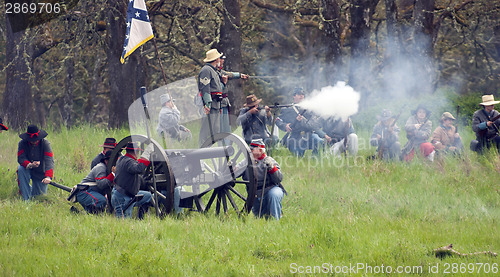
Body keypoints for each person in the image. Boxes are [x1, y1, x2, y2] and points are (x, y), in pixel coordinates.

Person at [275, 87, 327, 156]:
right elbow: (278, 120)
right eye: (299, 94)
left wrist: (302, 120)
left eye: (302, 94)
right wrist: (285, 126)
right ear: (294, 96)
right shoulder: (288, 109)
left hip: (308, 135)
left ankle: (314, 159)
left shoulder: (309, 109)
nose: (301, 96)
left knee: (319, 141)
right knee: (298, 158)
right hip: (295, 137)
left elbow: (312, 125)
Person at [111, 142, 153, 219]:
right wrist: (146, 154)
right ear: (136, 152)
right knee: (123, 223)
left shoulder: (122, 159)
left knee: (148, 196)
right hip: (123, 197)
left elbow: (136, 167)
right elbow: (139, 168)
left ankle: (140, 218)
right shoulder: (129, 162)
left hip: (123, 194)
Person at [247, 139, 285, 220]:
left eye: (252, 149)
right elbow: (235, 171)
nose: (250, 151)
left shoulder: (270, 160)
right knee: (260, 217)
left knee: (274, 195)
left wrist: (271, 167)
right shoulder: (246, 162)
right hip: (256, 193)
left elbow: (279, 178)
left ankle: (275, 221)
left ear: (260, 150)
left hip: (271, 188)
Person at [17, 124, 54, 201]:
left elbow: (49, 160)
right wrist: (30, 165)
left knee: (38, 198)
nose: (34, 141)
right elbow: (21, 158)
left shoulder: (45, 143)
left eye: (36, 139)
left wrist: (48, 177)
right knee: (20, 169)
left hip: (40, 172)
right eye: (32, 140)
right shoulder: (22, 143)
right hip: (27, 169)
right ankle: (25, 200)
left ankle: (31, 192)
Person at [198, 49, 225, 146]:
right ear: (216, 59)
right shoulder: (206, 70)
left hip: (216, 105)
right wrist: (207, 104)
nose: (220, 59)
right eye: (218, 58)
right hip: (210, 106)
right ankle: (202, 152)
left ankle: (211, 152)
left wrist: (220, 106)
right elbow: (205, 89)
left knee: (215, 132)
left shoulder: (214, 71)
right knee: (206, 132)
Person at [217, 54, 249, 134]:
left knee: (226, 127)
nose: (223, 61)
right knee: (220, 127)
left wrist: (240, 75)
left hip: (223, 103)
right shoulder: (214, 72)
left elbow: (230, 74)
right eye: (221, 59)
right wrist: (224, 83)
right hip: (218, 103)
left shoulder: (220, 71)